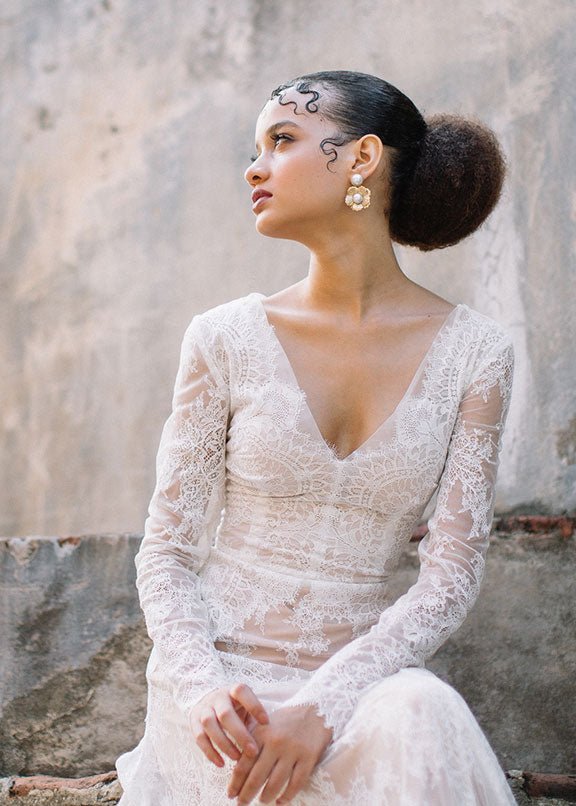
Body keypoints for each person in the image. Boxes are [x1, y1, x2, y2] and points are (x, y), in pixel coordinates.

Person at [116, 70, 517, 805]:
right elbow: (168, 551)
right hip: (223, 704)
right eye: (257, 148)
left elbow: (452, 575)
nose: (255, 167)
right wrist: (201, 689)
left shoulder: (476, 354)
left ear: (362, 157)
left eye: (282, 139)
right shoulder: (223, 338)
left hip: (360, 692)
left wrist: (327, 703)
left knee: (422, 707)